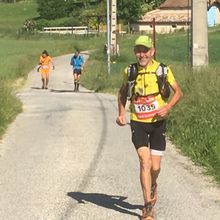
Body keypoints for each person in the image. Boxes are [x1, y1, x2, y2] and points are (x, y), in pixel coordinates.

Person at [116, 36, 183, 220]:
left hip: (157, 123)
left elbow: (178, 92)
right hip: (137, 121)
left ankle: (154, 183)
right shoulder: (129, 71)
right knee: (144, 161)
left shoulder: (162, 69)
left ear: (152, 51)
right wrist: (121, 113)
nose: (141, 54)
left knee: (155, 167)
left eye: (145, 50)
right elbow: (122, 93)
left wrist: (167, 107)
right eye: (138, 50)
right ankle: (147, 207)